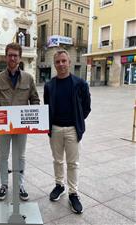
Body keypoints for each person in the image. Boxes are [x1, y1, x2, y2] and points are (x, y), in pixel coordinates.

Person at [0, 43, 40, 201]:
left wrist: (34, 116)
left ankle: (19, 185)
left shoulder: (28, 78)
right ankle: (4, 184)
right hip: (4, 125)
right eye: (10, 55)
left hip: (22, 125)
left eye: (15, 55)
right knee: (3, 155)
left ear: (20, 58)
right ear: (5, 57)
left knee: (20, 156)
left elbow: (35, 100)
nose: (12, 58)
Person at [44, 49, 91, 214]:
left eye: (64, 61)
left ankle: (73, 193)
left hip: (73, 129)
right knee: (57, 160)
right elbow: (47, 107)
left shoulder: (80, 83)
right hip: (55, 128)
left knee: (73, 163)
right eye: (58, 62)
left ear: (69, 62)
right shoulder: (49, 85)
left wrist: (77, 121)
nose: (61, 64)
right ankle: (59, 185)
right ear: (55, 64)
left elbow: (86, 107)